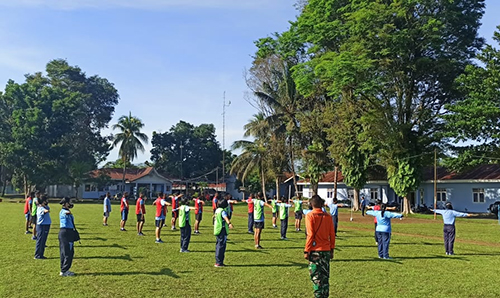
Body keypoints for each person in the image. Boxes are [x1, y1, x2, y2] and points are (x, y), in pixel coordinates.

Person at [304, 195, 335, 298]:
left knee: (316, 277)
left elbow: (310, 234)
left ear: (311, 204)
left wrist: (306, 250)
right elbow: (332, 234)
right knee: (325, 277)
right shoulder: (328, 217)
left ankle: (318, 296)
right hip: (326, 250)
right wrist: (332, 249)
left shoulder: (310, 216)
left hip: (315, 250)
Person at [58, 197, 76, 277]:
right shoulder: (63, 211)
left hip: (67, 232)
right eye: (69, 202)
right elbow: (65, 214)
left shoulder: (65, 211)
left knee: (65, 252)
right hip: (66, 232)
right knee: (68, 252)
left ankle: (63, 270)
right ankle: (64, 270)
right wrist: (68, 212)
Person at [214, 198, 233, 267]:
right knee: (221, 246)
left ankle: (218, 261)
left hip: (217, 229)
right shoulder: (223, 211)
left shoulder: (217, 210)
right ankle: (219, 262)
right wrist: (229, 223)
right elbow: (225, 218)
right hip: (222, 229)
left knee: (218, 245)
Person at [34, 195, 51, 259]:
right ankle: (37, 255)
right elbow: (44, 211)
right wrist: (45, 210)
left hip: (45, 225)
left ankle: (41, 254)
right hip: (42, 226)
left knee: (43, 241)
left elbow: (48, 208)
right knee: (40, 240)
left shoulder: (45, 207)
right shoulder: (40, 208)